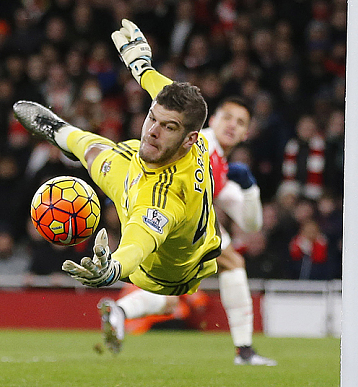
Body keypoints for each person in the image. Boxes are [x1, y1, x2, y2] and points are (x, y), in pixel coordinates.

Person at [13, 42, 222, 356]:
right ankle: (59, 131)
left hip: (164, 270)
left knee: (170, 296)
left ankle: (62, 134)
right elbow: (162, 89)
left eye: (168, 127)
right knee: (97, 151)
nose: (152, 131)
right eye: (152, 118)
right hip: (153, 183)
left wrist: (112, 268)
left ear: (190, 139)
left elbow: (138, 242)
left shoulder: (162, 200)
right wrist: (141, 65)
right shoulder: (189, 128)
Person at [103, 19, 276, 365]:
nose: (232, 125)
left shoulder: (223, 168)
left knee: (172, 299)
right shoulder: (199, 145)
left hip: (169, 228)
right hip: (161, 215)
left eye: (241, 123)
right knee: (233, 263)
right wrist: (141, 66)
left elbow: (251, 224)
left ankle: (120, 311)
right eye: (228, 117)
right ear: (210, 123)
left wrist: (250, 188)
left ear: (246, 135)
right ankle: (244, 350)